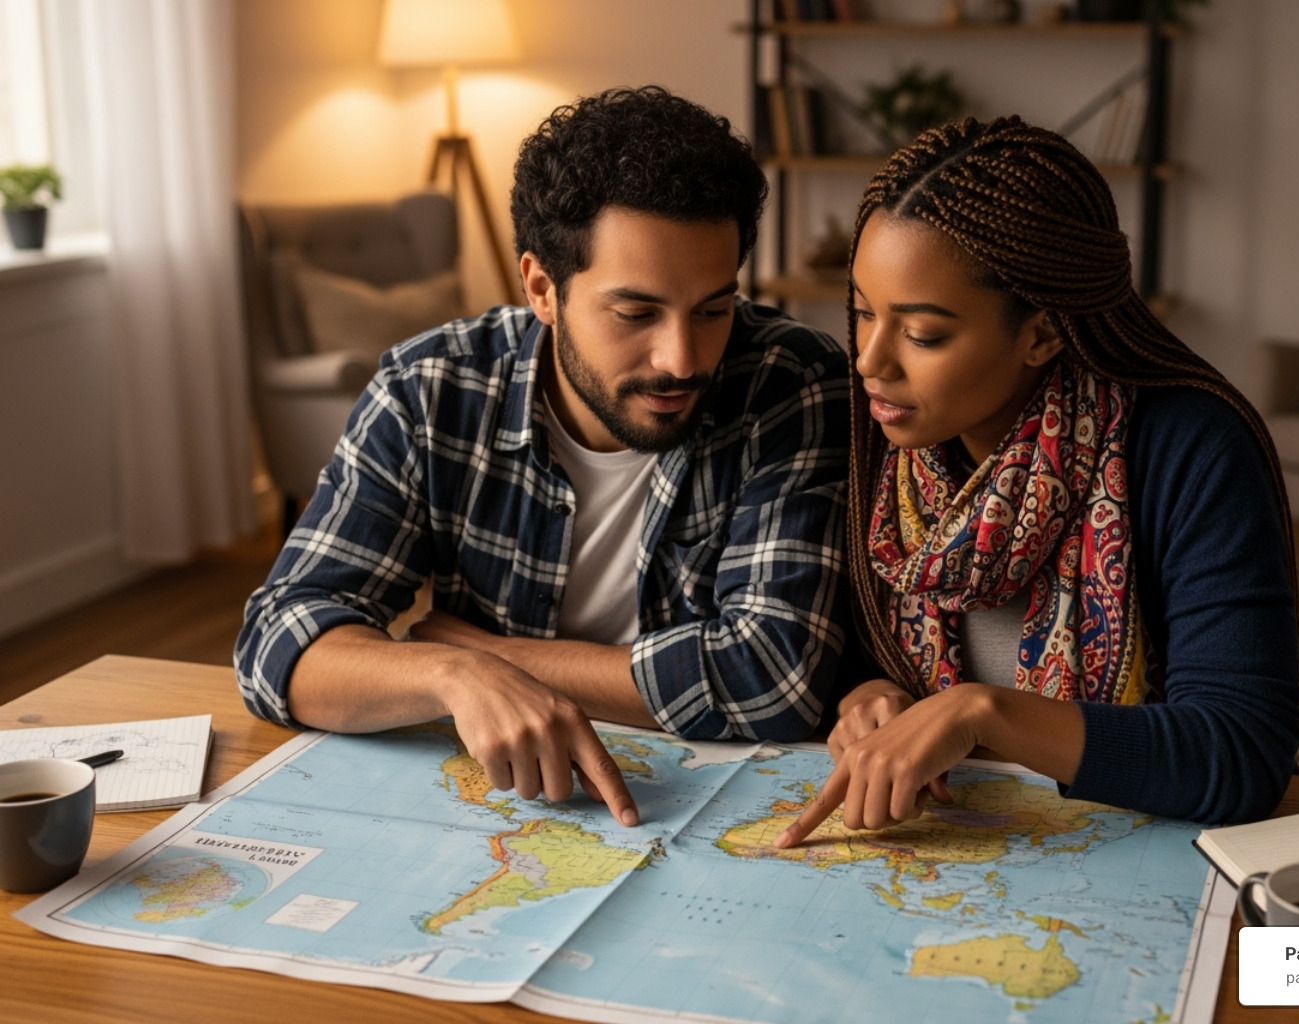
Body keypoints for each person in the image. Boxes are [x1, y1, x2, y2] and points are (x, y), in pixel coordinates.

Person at [236, 86, 850, 827]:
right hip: (510, 809)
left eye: (713, 309)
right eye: (636, 313)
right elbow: (279, 642)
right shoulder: (430, 390)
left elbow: (774, 681)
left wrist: (499, 655)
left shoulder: (793, 383)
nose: (683, 358)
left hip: (713, 810)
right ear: (542, 288)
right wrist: (453, 672)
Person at [776, 116, 1299, 846]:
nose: (871, 360)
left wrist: (981, 713)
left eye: (923, 334)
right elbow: (867, 651)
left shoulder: (1190, 448)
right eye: (863, 313)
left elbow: (1241, 752)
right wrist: (870, 694)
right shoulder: (892, 442)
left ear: (1042, 333)